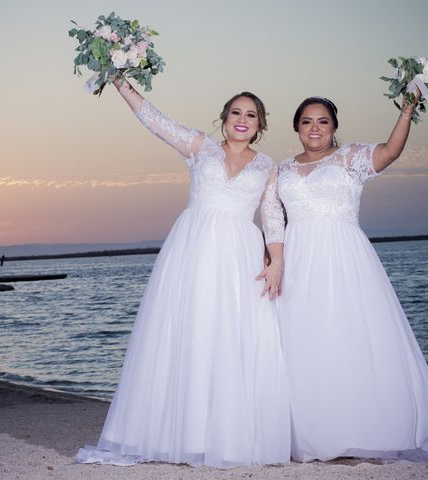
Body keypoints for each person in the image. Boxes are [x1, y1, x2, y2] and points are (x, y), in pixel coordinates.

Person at [75, 78, 291, 467]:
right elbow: (155, 120)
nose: (242, 120)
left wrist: (276, 262)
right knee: (189, 331)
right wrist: (120, 81)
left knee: (232, 335)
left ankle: (226, 436)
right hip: (193, 251)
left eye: (251, 115)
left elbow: (272, 217)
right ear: (224, 118)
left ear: (260, 124)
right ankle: (180, 434)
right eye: (236, 112)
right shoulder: (199, 146)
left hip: (240, 254)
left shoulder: (266, 166)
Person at [276, 94, 428, 462]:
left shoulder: (349, 158)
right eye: (307, 121)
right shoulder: (282, 169)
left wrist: (406, 109)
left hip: (343, 258)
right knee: (303, 341)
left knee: (349, 336)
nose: (315, 128)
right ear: (297, 126)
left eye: (323, 121)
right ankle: (311, 433)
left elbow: (390, 151)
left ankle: (363, 429)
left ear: (334, 127)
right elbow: (274, 221)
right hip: (296, 261)